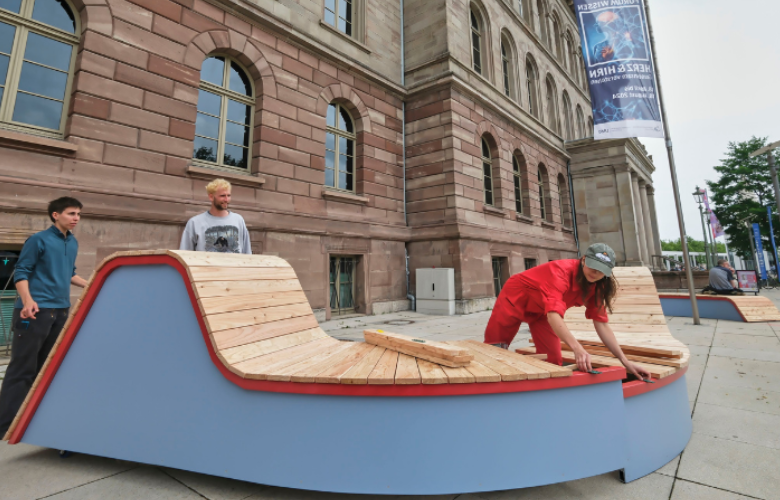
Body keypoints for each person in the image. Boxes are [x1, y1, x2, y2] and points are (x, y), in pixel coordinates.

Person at [483, 243, 651, 380]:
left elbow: (601, 324)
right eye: (593, 266)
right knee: (495, 349)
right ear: (584, 260)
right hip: (515, 297)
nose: (596, 273)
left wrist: (625, 361)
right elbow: (554, 314)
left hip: (542, 311)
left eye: (602, 271)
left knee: (553, 360)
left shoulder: (599, 286)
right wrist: (577, 348)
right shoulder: (560, 272)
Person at [0, 197, 89, 436]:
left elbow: (70, 273)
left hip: (60, 311)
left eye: (78, 214)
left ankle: (30, 421)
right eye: (71, 213)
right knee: (22, 367)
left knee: (45, 368)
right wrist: (28, 301)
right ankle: (5, 425)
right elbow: (21, 271)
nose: (76, 218)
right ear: (55, 215)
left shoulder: (72, 243)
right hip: (34, 312)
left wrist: (93, 284)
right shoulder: (38, 240)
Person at [180, 179, 252, 254]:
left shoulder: (239, 220)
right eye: (222, 196)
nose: (226, 199)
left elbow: (247, 253)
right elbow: (184, 255)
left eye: (229, 195)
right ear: (211, 197)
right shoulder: (194, 223)